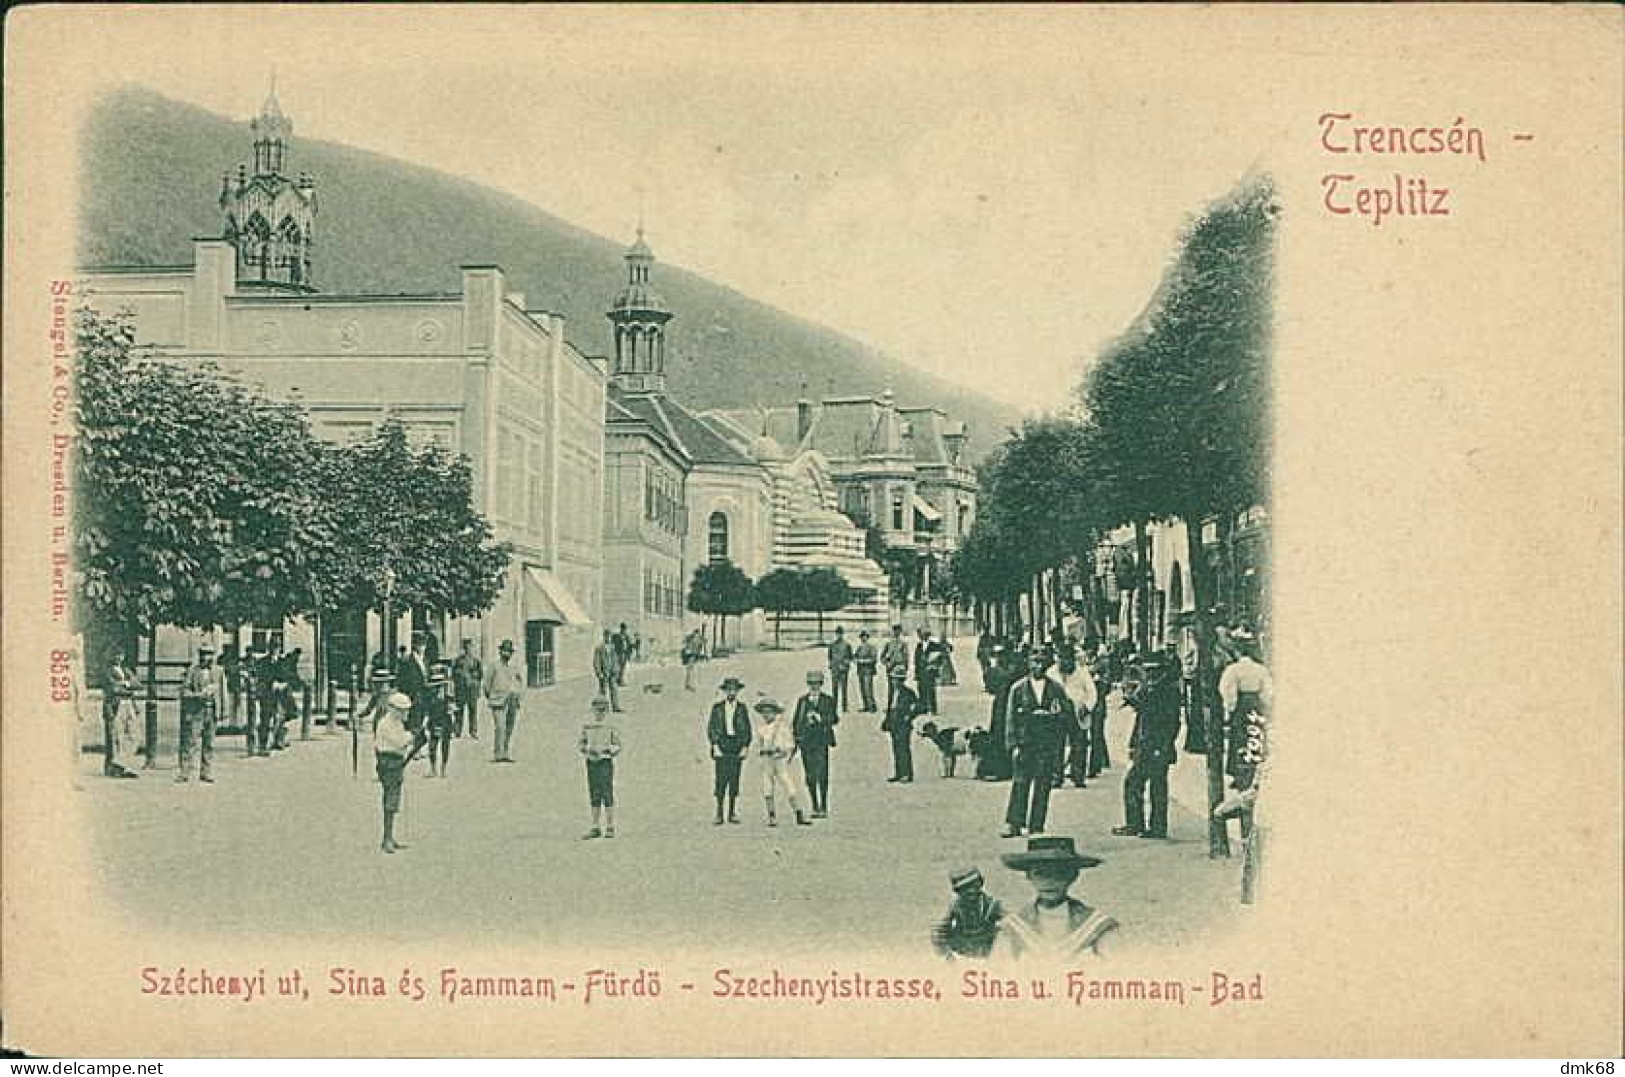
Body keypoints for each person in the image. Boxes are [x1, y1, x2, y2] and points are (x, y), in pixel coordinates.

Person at [992, 836, 1117, 961]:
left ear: (1073, 876)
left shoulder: (1095, 926)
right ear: (1028, 876)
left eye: (1059, 873)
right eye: (1040, 873)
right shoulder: (1014, 928)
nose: (1049, 882)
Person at [1001, 650, 1073, 838]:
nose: (1038, 666)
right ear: (1028, 664)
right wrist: (1013, 745)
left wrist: (1055, 716)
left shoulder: (1056, 688)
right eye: (1034, 662)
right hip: (1025, 742)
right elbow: (1010, 719)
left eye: (1041, 663)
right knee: (1020, 783)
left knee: (1043, 785)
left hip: (1046, 744)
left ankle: (1037, 826)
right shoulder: (1018, 688)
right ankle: (1014, 823)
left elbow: (1066, 714)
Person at [1111, 652, 1182, 840]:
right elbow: (1141, 717)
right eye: (1147, 670)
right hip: (1146, 744)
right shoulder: (1152, 688)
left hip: (1157, 745)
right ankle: (1146, 825)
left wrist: (1164, 745)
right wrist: (1133, 743)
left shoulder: (1167, 691)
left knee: (1144, 784)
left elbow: (1172, 722)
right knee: (1144, 784)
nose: (1149, 674)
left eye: (1152, 671)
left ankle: (1148, 826)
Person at [1218, 630, 1273, 793]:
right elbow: (1268, 690)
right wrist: (1264, 704)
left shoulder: (1234, 669)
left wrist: (1230, 707)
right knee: (1254, 734)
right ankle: (1252, 773)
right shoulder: (1260, 669)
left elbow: (1227, 689)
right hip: (1255, 704)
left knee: (1239, 738)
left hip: (1242, 705)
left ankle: (1239, 774)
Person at [373, 690, 421, 853]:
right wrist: (412, 735)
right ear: (394, 710)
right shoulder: (386, 724)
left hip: (396, 761)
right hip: (388, 762)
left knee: (394, 799)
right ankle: (386, 838)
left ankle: (390, 836)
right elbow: (400, 742)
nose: (406, 713)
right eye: (403, 710)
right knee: (390, 799)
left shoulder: (396, 723)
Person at [753, 698, 812, 827]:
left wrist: (780, 750)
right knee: (767, 787)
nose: (767, 715)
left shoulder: (782, 728)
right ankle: (772, 816)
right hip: (767, 761)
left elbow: (790, 745)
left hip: (779, 761)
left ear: (775, 713)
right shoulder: (761, 730)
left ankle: (798, 813)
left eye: (769, 712)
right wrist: (763, 750)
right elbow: (757, 747)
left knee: (788, 785)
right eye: (764, 712)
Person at [792, 669, 839, 818]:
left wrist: (820, 718)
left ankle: (824, 805)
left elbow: (834, 718)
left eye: (817, 684)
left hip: (821, 741)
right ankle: (814, 805)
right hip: (806, 742)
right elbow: (795, 722)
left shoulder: (828, 700)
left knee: (822, 773)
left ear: (821, 684)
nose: (814, 687)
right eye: (811, 684)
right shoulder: (803, 701)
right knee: (810, 775)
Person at [176, 643, 225, 784]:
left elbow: (223, 692)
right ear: (199, 655)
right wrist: (197, 695)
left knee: (209, 743)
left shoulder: (219, 671)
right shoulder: (192, 671)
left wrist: (223, 711)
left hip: (211, 711)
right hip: (196, 711)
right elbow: (183, 691)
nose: (206, 657)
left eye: (209, 654)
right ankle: (184, 772)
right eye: (203, 654)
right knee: (190, 742)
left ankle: (206, 772)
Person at [931, 867, 1004, 960]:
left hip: (986, 953)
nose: (971, 891)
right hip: (961, 953)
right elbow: (939, 931)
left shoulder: (992, 904)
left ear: (980, 885)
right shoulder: (955, 906)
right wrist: (946, 955)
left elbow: (1011, 923)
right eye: (965, 888)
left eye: (974, 886)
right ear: (958, 891)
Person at [706, 677, 752, 825]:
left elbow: (747, 729)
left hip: (736, 745)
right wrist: (715, 745)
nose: (731, 692)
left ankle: (732, 812)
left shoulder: (742, 708)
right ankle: (719, 812)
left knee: (734, 778)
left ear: (738, 692)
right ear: (724, 691)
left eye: (734, 690)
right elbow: (712, 728)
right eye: (729, 690)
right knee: (721, 779)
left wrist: (745, 746)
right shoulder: (717, 708)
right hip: (722, 743)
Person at [1053, 646, 1098, 790]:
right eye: (1061, 659)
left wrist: (1087, 706)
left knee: (1079, 745)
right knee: (1056, 746)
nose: (1064, 662)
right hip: (1059, 713)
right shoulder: (1052, 673)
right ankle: (1056, 776)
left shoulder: (1082, 673)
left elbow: (1092, 692)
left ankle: (1078, 776)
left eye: (1067, 659)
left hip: (1077, 712)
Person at [579, 696, 622, 839]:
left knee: (607, 792)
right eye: (597, 710)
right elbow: (581, 742)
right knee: (594, 793)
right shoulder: (587, 725)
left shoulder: (610, 726)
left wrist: (608, 751)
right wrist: (586, 751)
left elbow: (617, 744)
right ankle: (595, 826)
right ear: (593, 710)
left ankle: (610, 826)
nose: (599, 713)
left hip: (605, 761)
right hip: (592, 762)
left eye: (602, 710)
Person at [977, 646, 1016, 781]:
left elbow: (990, 687)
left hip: (1004, 704)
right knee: (999, 735)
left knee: (1001, 735)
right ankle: (1003, 768)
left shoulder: (997, 672)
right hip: (1002, 705)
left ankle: (1002, 768)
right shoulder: (1009, 671)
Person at [483, 639, 524, 763]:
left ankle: (505, 752)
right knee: (500, 727)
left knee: (509, 727)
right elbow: (486, 684)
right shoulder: (494, 666)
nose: (507, 654)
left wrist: (518, 695)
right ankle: (497, 754)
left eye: (509, 652)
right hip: (498, 700)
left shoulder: (513, 667)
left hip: (511, 699)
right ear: (500, 652)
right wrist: (491, 696)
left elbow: (520, 681)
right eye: (504, 651)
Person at [102, 653, 141, 779]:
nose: (118, 657)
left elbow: (138, 684)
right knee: (117, 736)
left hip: (129, 704)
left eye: (121, 655)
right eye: (116, 655)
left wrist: (126, 684)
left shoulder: (126, 670)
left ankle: (122, 763)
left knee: (135, 735)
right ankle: (117, 768)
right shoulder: (107, 671)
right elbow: (114, 689)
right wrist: (127, 685)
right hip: (116, 705)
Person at [881, 666, 919, 783]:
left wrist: (909, 717)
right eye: (893, 679)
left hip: (903, 723)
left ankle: (907, 774)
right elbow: (890, 708)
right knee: (896, 748)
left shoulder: (909, 693)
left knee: (904, 748)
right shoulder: (892, 693)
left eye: (897, 679)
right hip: (894, 723)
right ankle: (899, 773)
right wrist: (886, 721)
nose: (894, 682)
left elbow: (917, 706)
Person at [423, 662, 453, 778]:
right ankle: (433, 767)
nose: (437, 687)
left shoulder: (448, 694)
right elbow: (427, 709)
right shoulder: (430, 696)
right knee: (433, 745)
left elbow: (451, 707)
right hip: (434, 720)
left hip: (445, 720)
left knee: (445, 745)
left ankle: (443, 768)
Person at [450, 639, 483, 739]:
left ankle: (473, 731)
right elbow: (453, 673)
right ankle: (457, 731)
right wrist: (459, 677)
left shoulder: (476, 661)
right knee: (459, 711)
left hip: (472, 690)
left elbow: (480, 675)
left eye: (470, 647)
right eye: (466, 647)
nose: (469, 649)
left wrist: (476, 684)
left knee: (473, 711)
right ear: (464, 648)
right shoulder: (458, 660)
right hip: (461, 690)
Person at [914, 627, 945, 715]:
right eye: (922, 635)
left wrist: (935, 666)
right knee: (921, 689)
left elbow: (940, 657)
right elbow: (916, 660)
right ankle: (924, 707)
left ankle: (933, 709)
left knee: (931, 690)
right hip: (921, 671)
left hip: (930, 671)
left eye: (925, 635)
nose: (923, 637)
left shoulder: (934, 645)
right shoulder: (919, 645)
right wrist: (916, 673)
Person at [880, 624, 910, 711]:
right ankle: (889, 707)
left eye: (898, 631)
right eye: (895, 631)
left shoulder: (903, 644)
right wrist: (886, 663)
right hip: (890, 669)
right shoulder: (889, 644)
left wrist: (905, 668)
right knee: (890, 689)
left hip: (899, 669)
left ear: (900, 632)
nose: (896, 633)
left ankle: (899, 706)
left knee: (900, 689)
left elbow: (906, 657)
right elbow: (882, 656)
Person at [593, 630, 622, 713]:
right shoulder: (599, 648)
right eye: (607, 636)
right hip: (604, 672)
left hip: (612, 672)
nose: (608, 638)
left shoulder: (612, 647)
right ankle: (603, 707)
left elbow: (615, 659)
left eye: (609, 637)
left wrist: (616, 669)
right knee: (603, 690)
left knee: (614, 689)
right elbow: (596, 661)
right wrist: (599, 673)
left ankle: (615, 707)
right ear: (604, 636)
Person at [826, 626, 854, 713]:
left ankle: (844, 707)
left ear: (843, 634)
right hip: (834, 670)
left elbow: (850, 658)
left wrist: (845, 664)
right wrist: (831, 664)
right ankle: (834, 707)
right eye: (837, 634)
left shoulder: (847, 645)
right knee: (834, 689)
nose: (839, 635)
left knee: (844, 689)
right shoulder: (832, 645)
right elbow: (830, 657)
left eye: (840, 633)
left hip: (843, 670)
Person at [853, 630, 879, 712]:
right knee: (862, 689)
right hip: (860, 671)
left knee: (868, 689)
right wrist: (855, 659)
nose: (863, 638)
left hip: (868, 671)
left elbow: (873, 659)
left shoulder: (871, 647)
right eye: (862, 637)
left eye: (864, 636)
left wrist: (862, 661)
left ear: (867, 637)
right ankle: (866, 706)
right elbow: (855, 657)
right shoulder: (859, 648)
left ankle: (872, 706)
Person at [681, 627, 706, 692]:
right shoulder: (691, 639)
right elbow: (685, 643)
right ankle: (688, 684)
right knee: (690, 670)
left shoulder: (698, 639)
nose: (697, 635)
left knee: (691, 670)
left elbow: (701, 646)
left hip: (694, 655)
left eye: (697, 634)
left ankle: (688, 684)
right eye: (696, 634)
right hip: (691, 655)